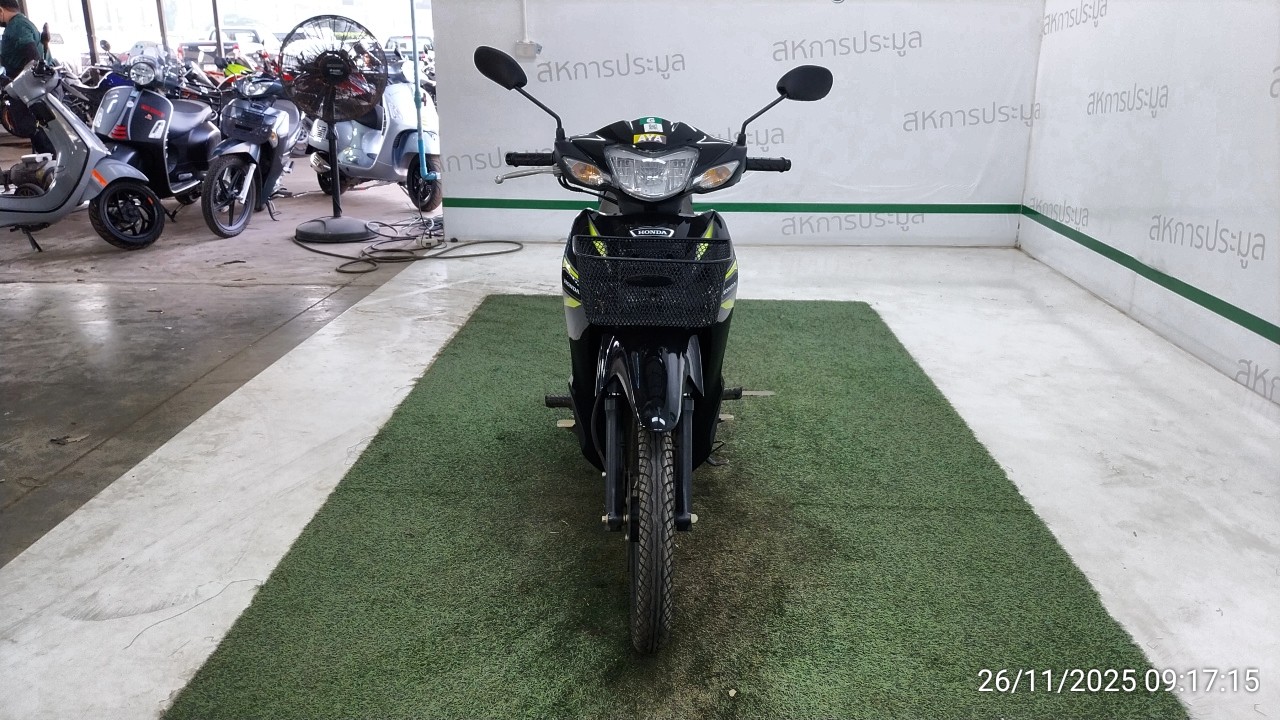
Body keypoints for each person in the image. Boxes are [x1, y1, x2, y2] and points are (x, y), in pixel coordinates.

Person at [0, 0, 55, 156]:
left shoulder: (17, 27)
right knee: (39, 132)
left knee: (38, 132)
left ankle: (50, 162)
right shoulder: (21, 23)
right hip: (28, 88)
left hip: (27, 90)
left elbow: (33, 59)